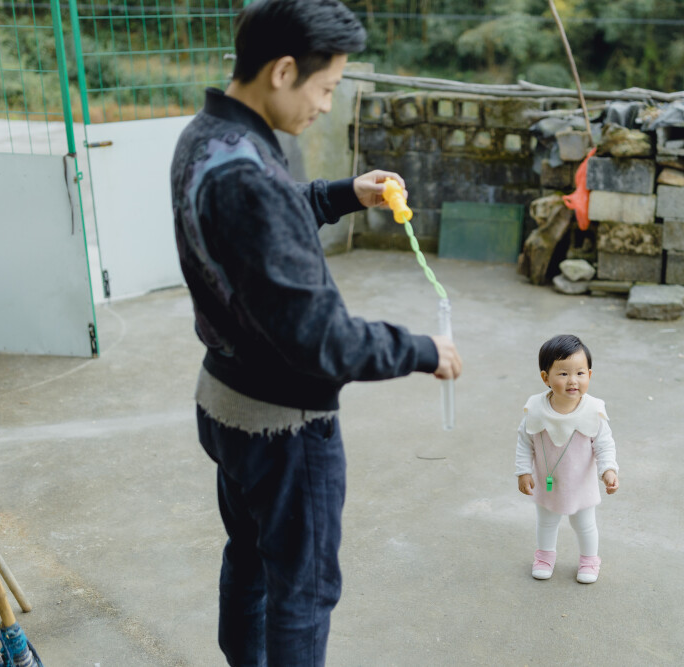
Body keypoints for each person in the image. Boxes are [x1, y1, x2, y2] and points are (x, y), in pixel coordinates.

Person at [169, 1, 462, 664]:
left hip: (225, 397)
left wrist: (342, 193)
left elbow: (261, 223)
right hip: (284, 426)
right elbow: (320, 338)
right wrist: (421, 350)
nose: (328, 106)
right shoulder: (249, 175)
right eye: (326, 87)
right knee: (301, 589)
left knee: (248, 559)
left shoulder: (210, 136)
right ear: (282, 71)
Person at [515, 334, 618, 584]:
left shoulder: (593, 411)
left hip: (580, 484)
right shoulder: (536, 410)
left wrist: (608, 470)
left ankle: (589, 560)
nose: (573, 381)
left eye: (580, 373)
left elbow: (604, 445)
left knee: (584, 525)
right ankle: (544, 557)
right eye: (563, 374)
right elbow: (524, 441)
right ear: (545, 377)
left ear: (589, 376)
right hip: (547, 481)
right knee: (546, 522)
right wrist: (523, 471)